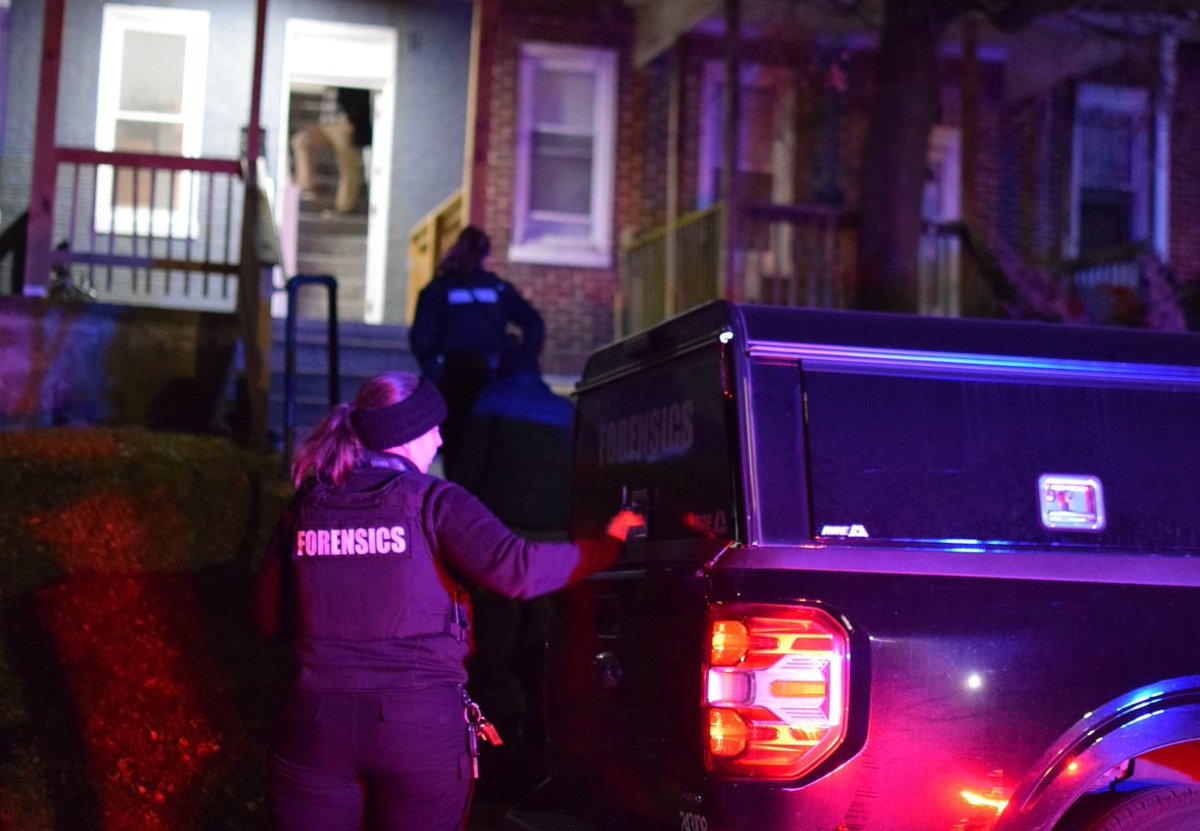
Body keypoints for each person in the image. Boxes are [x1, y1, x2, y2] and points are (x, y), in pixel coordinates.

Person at [255, 370, 640, 831]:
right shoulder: (434, 501)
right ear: (406, 434)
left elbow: (267, 617)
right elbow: (518, 569)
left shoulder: (305, 507)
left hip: (314, 726)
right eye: (433, 428)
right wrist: (607, 546)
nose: (439, 439)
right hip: (418, 727)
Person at [454, 344, 574, 748]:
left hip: (503, 539)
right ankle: (544, 726)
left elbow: (468, 472)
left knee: (496, 638)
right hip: (554, 541)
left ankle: (498, 731)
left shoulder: (491, 401)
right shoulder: (564, 411)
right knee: (546, 637)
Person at [408, 225, 545, 479]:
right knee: (489, 444)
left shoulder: (438, 289)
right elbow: (533, 322)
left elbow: (421, 339)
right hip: (491, 377)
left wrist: (435, 370)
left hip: (453, 381)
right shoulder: (496, 288)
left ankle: (457, 492)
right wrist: (524, 357)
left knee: (456, 445)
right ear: (484, 255)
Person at [291, 86, 373, 214]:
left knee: (347, 165)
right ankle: (306, 188)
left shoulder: (353, 79)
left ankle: (344, 207)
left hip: (343, 125)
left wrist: (353, 120)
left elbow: (361, 97)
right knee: (301, 140)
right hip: (325, 124)